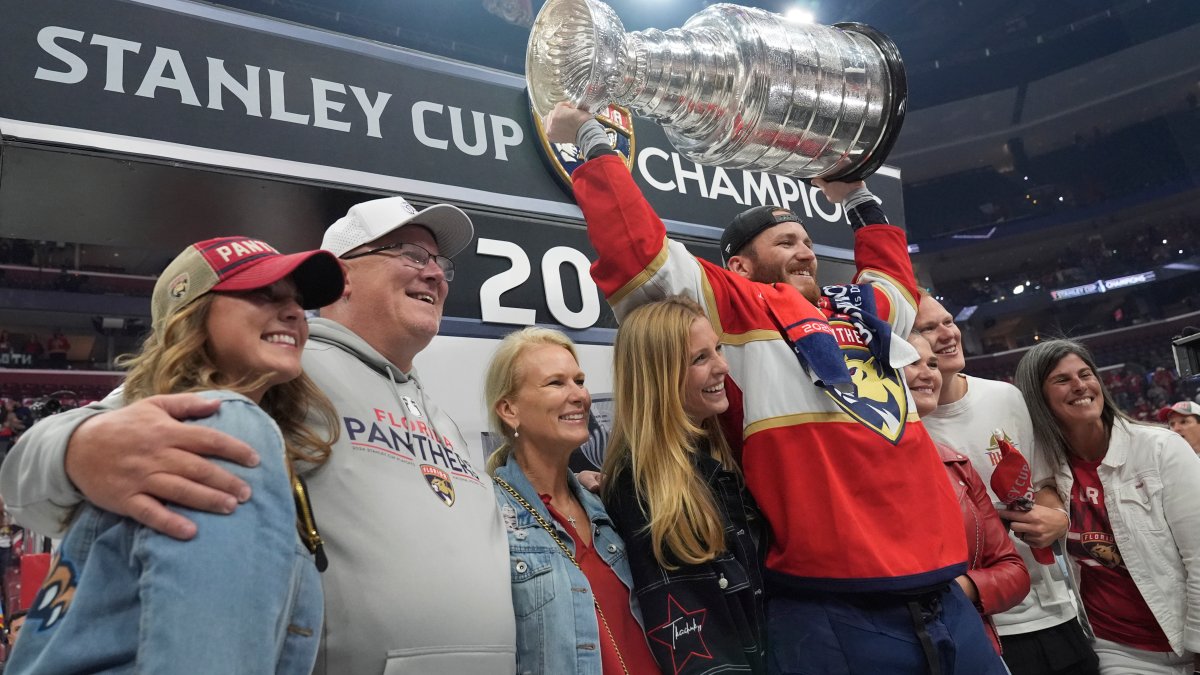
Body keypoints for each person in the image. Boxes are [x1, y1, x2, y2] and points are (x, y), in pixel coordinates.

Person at [545, 102, 1005, 674]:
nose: (806, 252)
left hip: (944, 593)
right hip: (832, 606)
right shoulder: (739, 313)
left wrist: (858, 198)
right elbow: (642, 253)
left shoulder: (861, 312)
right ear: (739, 266)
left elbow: (895, 281)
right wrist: (591, 139)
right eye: (784, 242)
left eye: (807, 241)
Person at [0, 196, 517, 674]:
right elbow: (28, 478)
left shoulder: (439, 414)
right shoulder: (275, 371)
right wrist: (77, 449)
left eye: (440, 264)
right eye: (410, 254)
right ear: (343, 276)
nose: (434, 273)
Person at [4, 236, 345, 673]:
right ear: (191, 317)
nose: (295, 311)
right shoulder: (223, 422)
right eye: (263, 293)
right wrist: (75, 447)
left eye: (297, 301)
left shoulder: (242, 423)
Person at [914, 294, 1099, 675]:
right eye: (928, 328)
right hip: (979, 620)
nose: (946, 333)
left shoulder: (1005, 397)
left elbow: (1045, 481)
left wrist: (1057, 518)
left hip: (1052, 605)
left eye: (948, 321)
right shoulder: (908, 423)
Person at [602, 297, 767, 674]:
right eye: (700, 359)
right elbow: (693, 646)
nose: (723, 366)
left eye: (718, 350)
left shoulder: (718, 461)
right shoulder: (644, 488)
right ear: (658, 376)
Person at [1015, 339, 1200, 675]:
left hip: (1187, 636)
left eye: (1086, 374)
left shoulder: (1161, 449)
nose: (1080, 385)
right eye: (1062, 380)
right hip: (1118, 648)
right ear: (1038, 398)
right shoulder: (1043, 469)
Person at [485, 327, 660, 675]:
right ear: (509, 409)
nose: (579, 395)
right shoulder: (488, 515)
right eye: (556, 383)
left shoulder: (604, 508)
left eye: (579, 380)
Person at [905, 333, 1030, 655]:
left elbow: (1013, 570)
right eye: (911, 362)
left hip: (971, 642)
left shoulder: (955, 463)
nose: (928, 372)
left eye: (932, 363)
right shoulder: (848, 467)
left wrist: (961, 587)